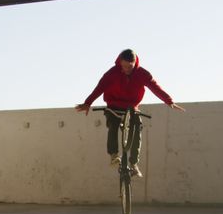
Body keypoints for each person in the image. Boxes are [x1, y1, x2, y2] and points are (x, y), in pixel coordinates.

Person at [75, 49, 185, 178]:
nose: (127, 69)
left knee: (137, 127)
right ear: (120, 62)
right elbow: (100, 87)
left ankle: (133, 163)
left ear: (135, 63)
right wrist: (88, 103)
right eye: (124, 66)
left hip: (131, 107)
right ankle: (114, 155)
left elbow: (154, 86)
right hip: (114, 105)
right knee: (113, 124)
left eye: (130, 67)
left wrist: (168, 101)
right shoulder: (112, 73)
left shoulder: (142, 73)